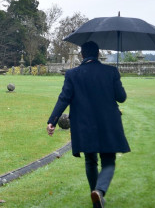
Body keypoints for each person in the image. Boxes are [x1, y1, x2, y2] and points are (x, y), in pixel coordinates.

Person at [47, 41, 130, 208]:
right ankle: (99, 191)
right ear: (98, 54)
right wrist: (115, 79)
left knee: (90, 161)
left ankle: (96, 199)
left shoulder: (72, 74)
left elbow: (64, 98)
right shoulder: (111, 71)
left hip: (84, 124)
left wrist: (52, 121)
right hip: (108, 123)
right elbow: (121, 97)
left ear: (82, 55)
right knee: (108, 160)